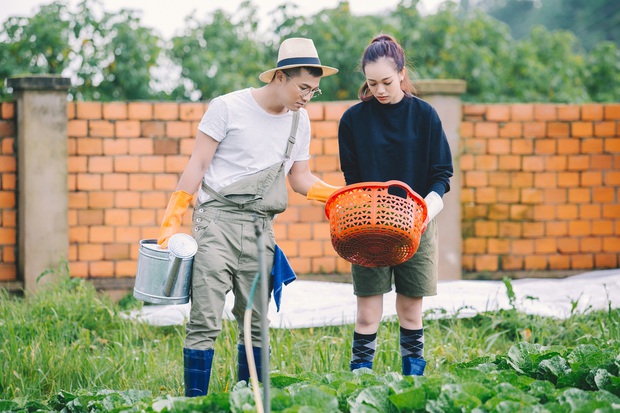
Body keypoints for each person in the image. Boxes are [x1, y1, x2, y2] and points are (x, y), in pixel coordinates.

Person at [157, 37, 340, 397]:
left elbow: (300, 178)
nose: (307, 97)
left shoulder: (298, 122)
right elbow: (199, 163)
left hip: (260, 231)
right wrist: (171, 220)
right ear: (280, 77)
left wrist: (342, 196)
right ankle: (196, 404)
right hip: (216, 225)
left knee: (256, 323)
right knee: (205, 319)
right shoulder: (228, 107)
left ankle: (247, 401)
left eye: (314, 91)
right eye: (303, 87)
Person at [337, 34, 453, 376]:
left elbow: (441, 174)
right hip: (368, 227)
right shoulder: (353, 120)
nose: (379, 90)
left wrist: (425, 211)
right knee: (367, 314)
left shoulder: (425, 116)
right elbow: (353, 180)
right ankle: (359, 384)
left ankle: (412, 383)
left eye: (386, 81)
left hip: (417, 225)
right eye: (371, 83)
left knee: (411, 312)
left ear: (402, 73)